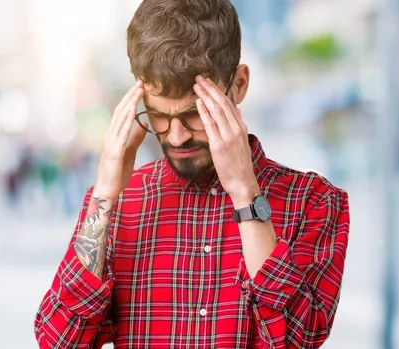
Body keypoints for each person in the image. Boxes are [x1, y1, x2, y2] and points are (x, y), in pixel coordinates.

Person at [34, 1, 350, 348]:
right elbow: (60, 340)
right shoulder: (120, 203)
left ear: (239, 84)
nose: (176, 136)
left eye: (194, 113)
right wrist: (105, 195)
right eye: (157, 115)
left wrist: (246, 194)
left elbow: (297, 339)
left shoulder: (314, 201)